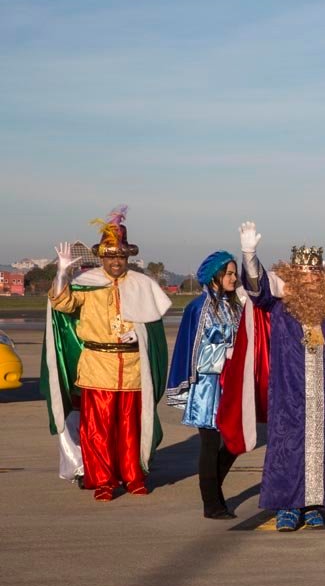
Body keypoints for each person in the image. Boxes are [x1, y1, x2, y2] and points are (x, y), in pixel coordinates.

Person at [235, 220, 325, 532]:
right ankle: (287, 506)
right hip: (288, 390)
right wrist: (249, 254)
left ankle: (315, 504)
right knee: (286, 445)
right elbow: (257, 289)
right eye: (303, 273)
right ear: (292, 276)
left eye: (315, 273)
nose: (310, 279)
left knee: (322, 446)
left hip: (323, 390)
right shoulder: (279, 305)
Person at [42, 206, 171, 501]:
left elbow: (152, 326)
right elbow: (62, 304)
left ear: (128, 257)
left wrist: (137, 332)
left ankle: (132, 475)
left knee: (130, 426)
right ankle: (102, 479)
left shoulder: (141, 284)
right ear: (101, 256)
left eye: (121, 256)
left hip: (133, 367)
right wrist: (62, 273)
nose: (116, 262)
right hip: (97, 365)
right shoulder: (87, 284)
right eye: (111, 256)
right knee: (97, 427)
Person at [166, 251, 243, 519]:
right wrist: (227, 354)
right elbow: (196, 353)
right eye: (230, 273)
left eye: (235, 273)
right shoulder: (199, 308)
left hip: (230, 385)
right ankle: (211, 503)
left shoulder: (234, 306)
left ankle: (213, 491)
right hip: (208, 387)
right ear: (215, 276)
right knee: (211, 445)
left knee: (236, 443)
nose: (235, 278)